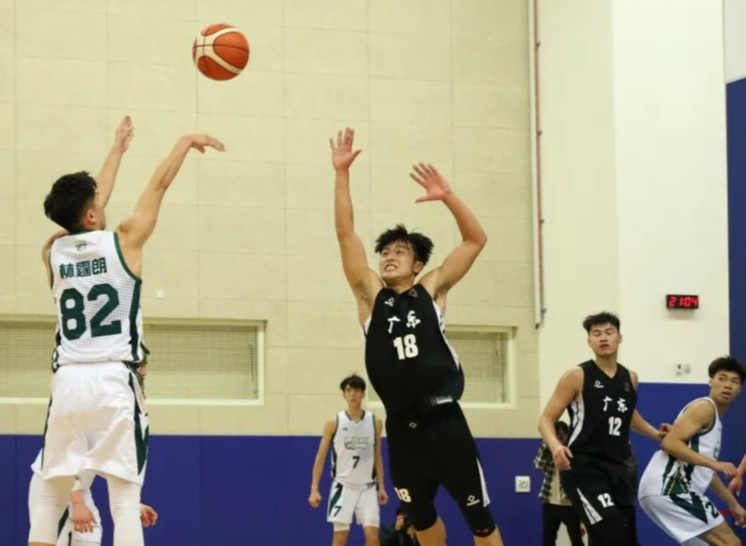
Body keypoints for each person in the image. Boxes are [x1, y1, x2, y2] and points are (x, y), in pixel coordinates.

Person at [30, 117, 224, 546]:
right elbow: (158, 186)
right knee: (123, 504)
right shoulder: (125, 241)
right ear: (93, 212)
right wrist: (183, 142)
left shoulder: (52, 251)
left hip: (67, 382)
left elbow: (84, 216)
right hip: (114, 381)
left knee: (49, 500)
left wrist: (117, 149)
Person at [330, 127, 503, 546]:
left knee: (480, 521)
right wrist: (341, 174)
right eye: (385, 252)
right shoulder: (371, 297)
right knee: (422, 522)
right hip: (403, 429)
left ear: (418, 264)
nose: (388, 257)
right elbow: (346, 235)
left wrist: (448, 197)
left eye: (399, 251)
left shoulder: (432, 290)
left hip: (445, 421)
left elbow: (475, 240)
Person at [537, 312, 669, 546]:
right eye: (596, 334)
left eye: (609, 332)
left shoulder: (630, 377)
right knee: (613, 533)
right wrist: (555, 445)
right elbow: (546, 419)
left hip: (619, 467)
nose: (603, 338)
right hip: (584, 467)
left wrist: (655, 434)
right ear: (589, 341)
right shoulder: (577, 375)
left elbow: (627, 414)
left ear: (620, 337)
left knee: (623, 538)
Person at [28, 354, 158, 546]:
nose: (144, 372)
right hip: (58, 485)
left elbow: (106, 464)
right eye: (141, 366)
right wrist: (77, 503)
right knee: (58, 534)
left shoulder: (109, 412)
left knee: (91, 537)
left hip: (80, 490)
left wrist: (130, 505)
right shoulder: (86, 405)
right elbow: (62, 466)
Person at [638, 357, 746, 545]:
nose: (728, 385)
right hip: (670, 489)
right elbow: (669, 443)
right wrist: (714, 463)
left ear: (739, 389)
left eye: (734, 381)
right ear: (710, 381)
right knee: (731, 543)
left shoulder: (714, 422)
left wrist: (732, 503)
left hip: (661, 491)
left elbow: (705, 471)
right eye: (722, 378)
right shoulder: (705, 408)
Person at [309, 374, 388, 546]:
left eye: (357, 390)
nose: (353, 394)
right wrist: (314, 489)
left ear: (363, 394)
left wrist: (381, 487)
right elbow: (321, 457)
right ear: (344, 394)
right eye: (349, 390)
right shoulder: (334, 422)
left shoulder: (375, 422)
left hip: (368, 488)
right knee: (340, 539)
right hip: (343, 487)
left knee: (373, 536)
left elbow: (377, 456)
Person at [535, 422, 583, 546]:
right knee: (548, 539)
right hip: (550, 502)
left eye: (562, 435)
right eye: (556, 435)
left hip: (570, 504)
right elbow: (538, 465)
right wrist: (547, 445)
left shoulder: (574, 451)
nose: (560, 438)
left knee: (576, 539)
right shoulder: (548, 451)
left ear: (567, 434)